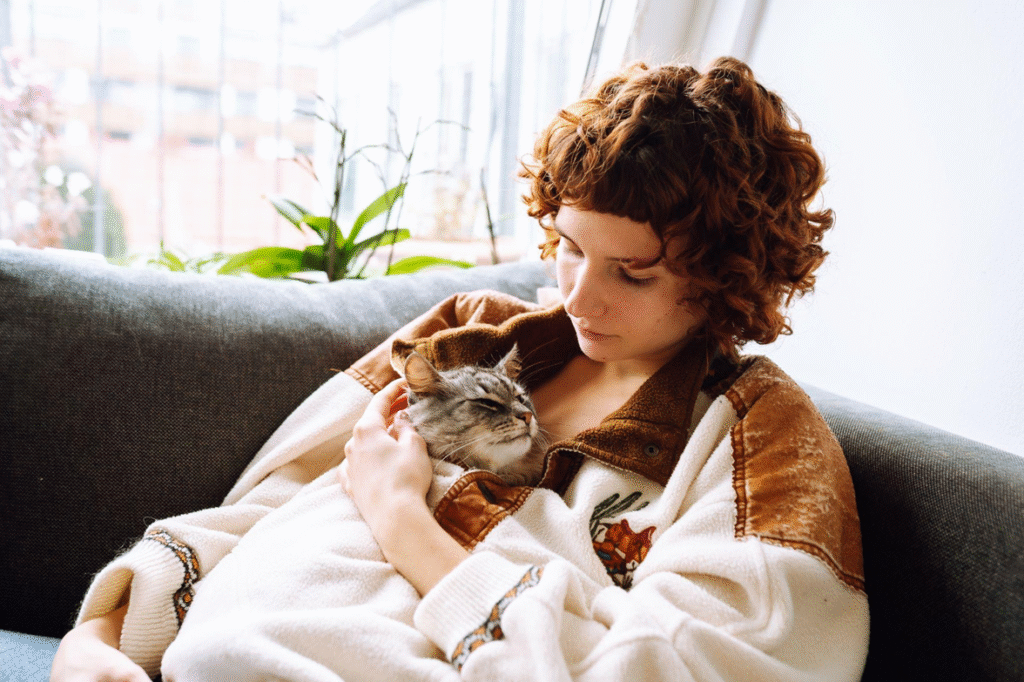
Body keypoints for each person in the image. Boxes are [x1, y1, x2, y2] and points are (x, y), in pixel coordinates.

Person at [52, 57, 868, 682]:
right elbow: (285, 501)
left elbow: (685, 664)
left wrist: (406, 519)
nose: (581, 295)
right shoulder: (468, 333)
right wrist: (101, 633)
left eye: (633, 273)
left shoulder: (762, 443)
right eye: (570, 249)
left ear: (728, 272)